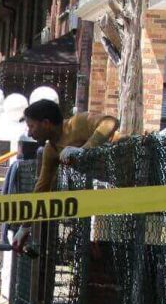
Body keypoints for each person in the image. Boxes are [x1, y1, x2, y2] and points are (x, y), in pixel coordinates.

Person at [11, 99, 119, 254]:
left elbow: (111, 122)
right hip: (124, 182)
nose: (29, 133)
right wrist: (25, 227)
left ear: (46, 123)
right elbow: (41, 189)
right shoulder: (51, 150)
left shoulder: (77, 123)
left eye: (31, 126)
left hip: (141, 162)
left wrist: (84, 150)